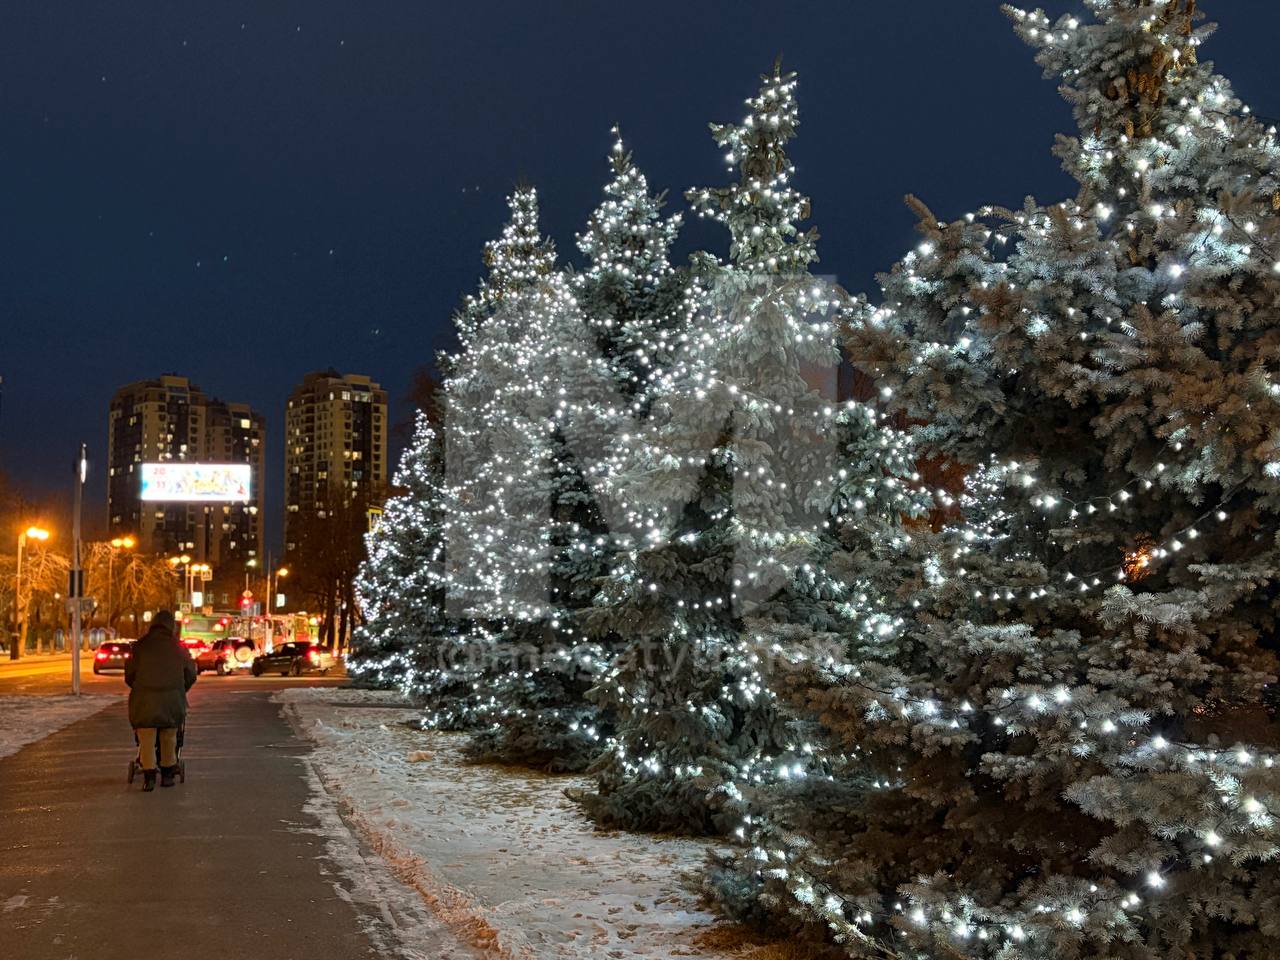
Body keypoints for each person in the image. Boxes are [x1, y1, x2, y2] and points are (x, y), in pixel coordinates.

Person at [125, 610, 197, 791]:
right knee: (169, 736)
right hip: (171, 701)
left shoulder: (140, 646)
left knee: (147, 738)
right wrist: (180, 689)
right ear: (171, 626)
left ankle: (149, 777)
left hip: (144, 701)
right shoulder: (179, 648)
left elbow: (129, 675)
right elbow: (190, 674)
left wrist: (141, 687)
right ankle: (167, 776)